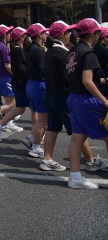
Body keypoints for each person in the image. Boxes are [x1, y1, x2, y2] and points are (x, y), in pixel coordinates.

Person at [42, 20, 96, 172]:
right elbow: (69, 77)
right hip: (63, 97)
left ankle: (47, 158)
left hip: (50, 95)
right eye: (68, 32)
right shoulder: (63, 53)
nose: (70, 35)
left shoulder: (50, 51)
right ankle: (91, 161)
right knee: (78, 131)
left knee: (52, 128)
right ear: (62, 35)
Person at [65, 18, 108, 188]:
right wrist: (104, 100)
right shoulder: (89, 53)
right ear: (92, 33)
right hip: (87, 100)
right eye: (98, 33)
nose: (100, 36)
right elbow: (87, 81)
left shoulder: (73, 51)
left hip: (74, 98)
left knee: (77, 138)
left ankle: (75, 176)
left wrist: (102, 81)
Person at [0, 27, 27, 141]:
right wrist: (15, 74)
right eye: (8, 32)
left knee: (12, 103)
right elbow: (7, 65)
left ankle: (7, 122)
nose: (10, 34)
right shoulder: (3, 47)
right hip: (4, 77)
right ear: (5, 35)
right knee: (12, 104)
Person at [25, 23, 49, 158]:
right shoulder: (39, 50)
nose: (46, 35)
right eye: (44, 33)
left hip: (31, 84)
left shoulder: (29, 48)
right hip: (39, 85)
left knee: (38, 116)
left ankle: (30, 138)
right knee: (43, 119)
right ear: (40, 35)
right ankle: (35, 145)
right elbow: (43, 69)